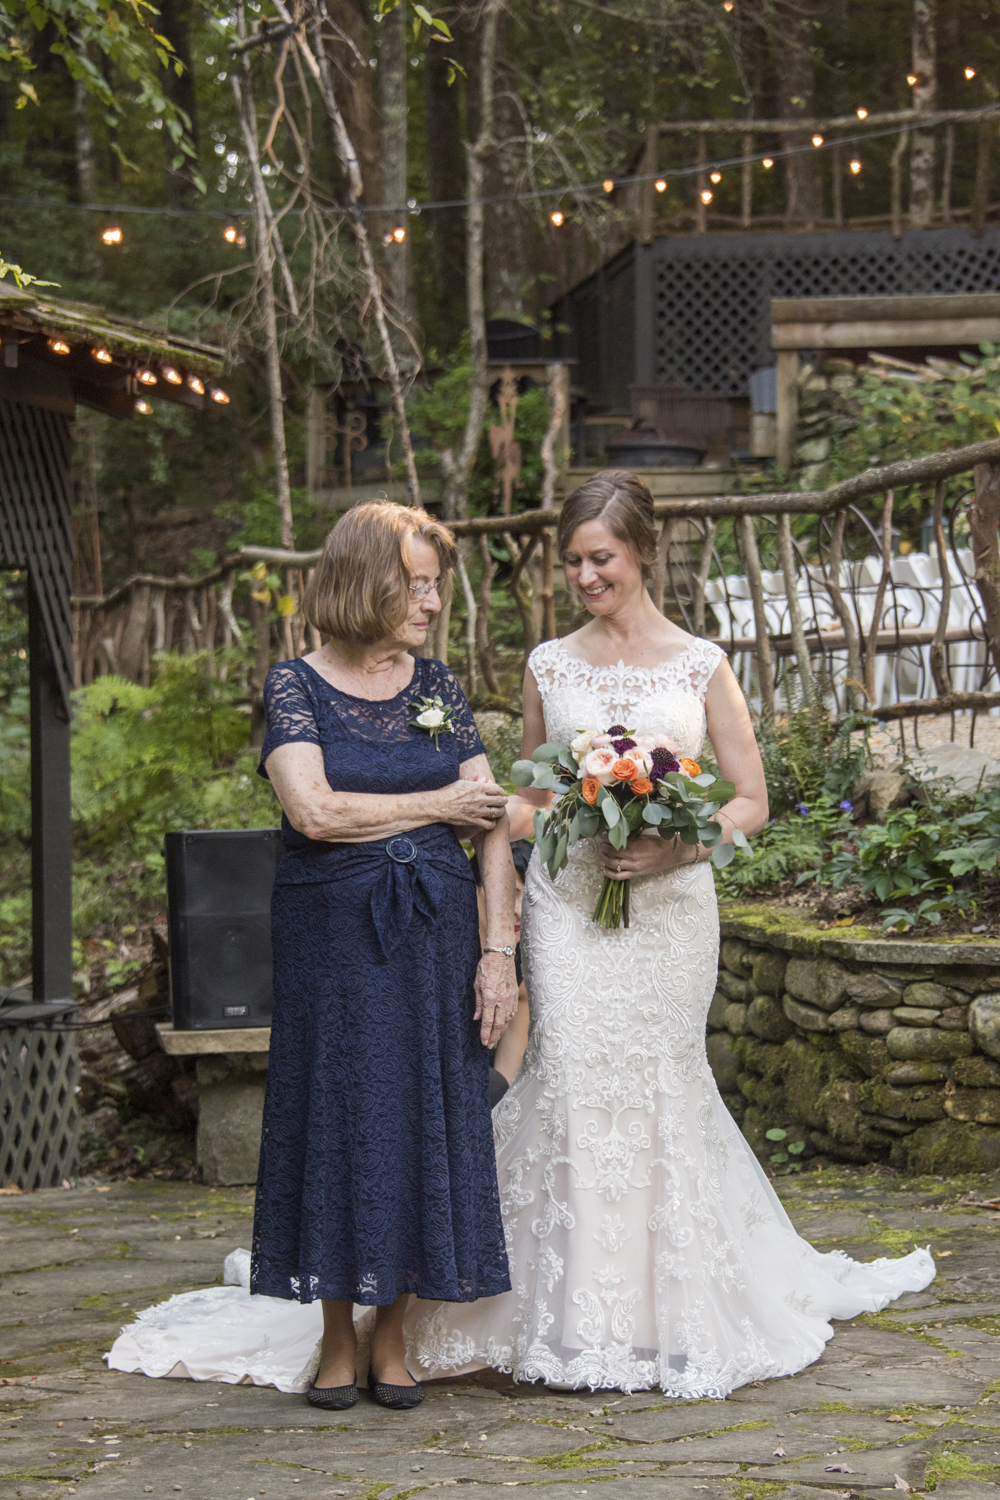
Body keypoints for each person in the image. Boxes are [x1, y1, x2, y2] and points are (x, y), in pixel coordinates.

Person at [403, 469, 935, 1396]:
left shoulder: (701, 662)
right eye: (571, 560)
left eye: (600, 557)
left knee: (659, 1082)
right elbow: (530, 799)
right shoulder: (548, 665)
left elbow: (752, 801)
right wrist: (495, 814)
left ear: (643, 552)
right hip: (572, 907)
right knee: (569, 1074)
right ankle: (558, 1307)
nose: (584, 576)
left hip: (673, 912)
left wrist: (676, 847)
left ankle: (668, 1306)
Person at [107, 501, 518, 1412]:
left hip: (437, 934)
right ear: (363, 582)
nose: (432, 600)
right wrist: (437, 806)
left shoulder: (439, 685)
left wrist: (498, 951)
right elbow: (314, 812)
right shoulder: (295, 684)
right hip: (332, 937)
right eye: (415, 582)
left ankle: (395, 1334)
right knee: (337, 1117)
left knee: (431, 1117)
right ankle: (336, 1331)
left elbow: (492, 821)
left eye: (435, 582)